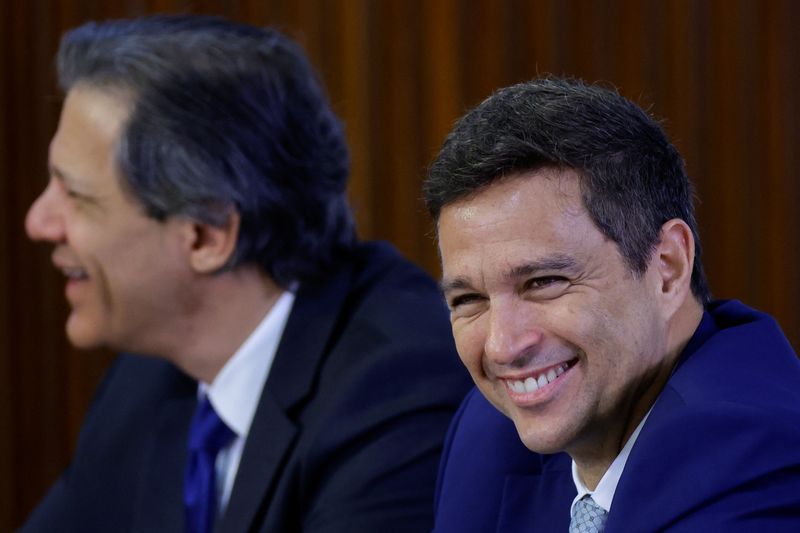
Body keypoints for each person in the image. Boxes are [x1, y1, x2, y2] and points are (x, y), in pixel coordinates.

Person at [21, 15, 470, 533]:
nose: (38, 222)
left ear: (207, 238)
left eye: (76, 196)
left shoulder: (397, 391)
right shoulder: (145, 379)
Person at [423, 77, 800, 532]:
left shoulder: (766, 460)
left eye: (543, 282)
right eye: (470, 300)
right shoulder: (487, 436)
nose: (503, 347)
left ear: (667, 267)